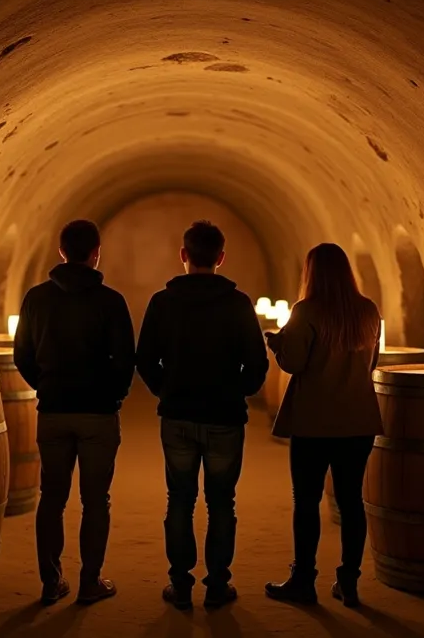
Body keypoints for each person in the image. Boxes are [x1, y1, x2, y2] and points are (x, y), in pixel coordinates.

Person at [136, 220, 269, 610]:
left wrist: (167, 389)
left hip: (177, 415)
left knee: (179, 499)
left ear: (184, 256)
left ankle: (180, 585)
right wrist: (236, 391)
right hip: (225, 417)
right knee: (221, 502)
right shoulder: (238, 303)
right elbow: (257, 364)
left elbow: (144, 359)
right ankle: (216, 585)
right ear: (221, 258)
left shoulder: (163, 302)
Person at [14, 219, 135, 606]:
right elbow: (125, 359)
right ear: (96, 252)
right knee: (96, 499)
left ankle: (51, 582)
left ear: (61, 251)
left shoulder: (36, 298)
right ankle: (90, 581)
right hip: (98, 414)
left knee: (51, 497)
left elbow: (23, 356)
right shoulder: (111, 301)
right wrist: (113, 396)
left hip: (53, 411)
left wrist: (46, 386)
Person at [264, 243, 383, 608]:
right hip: (358, 421)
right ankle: (349, 580)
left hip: (314, 422)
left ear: (311, 273)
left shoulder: (306, 310)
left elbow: (295, 363)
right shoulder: (367, 310)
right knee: (352, 503)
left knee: (307, 501)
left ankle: (304, 579)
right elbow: (373, 361)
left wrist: (278, 345)